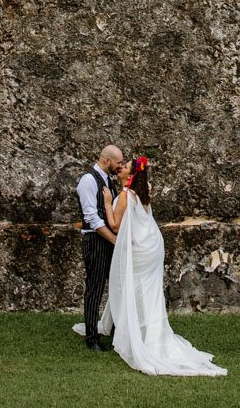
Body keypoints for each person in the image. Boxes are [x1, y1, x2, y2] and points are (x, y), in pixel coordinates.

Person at [95, 154, 227, 376]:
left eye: (125, 166)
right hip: (152, 246)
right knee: (149, 292)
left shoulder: (126, 195)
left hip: (140, 250)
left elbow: (115, 226)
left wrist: (108, 203)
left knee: (134, 288)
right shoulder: (143, 190)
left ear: (132, 173)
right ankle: (146, 331)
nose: (121, 168)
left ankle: (141, 336)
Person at [72, 144, 125, 351]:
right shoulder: (88, 180)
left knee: (116, 286)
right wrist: (113, 239)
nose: (120, 167)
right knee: (94, 288)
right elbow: (91, 217)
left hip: (108, 239)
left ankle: (115, 331)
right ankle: (92, 338)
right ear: (107, 161)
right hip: (95, 240)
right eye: (118, 163)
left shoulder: (108, 182)